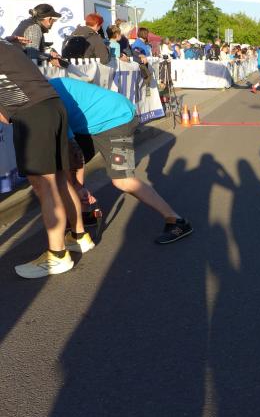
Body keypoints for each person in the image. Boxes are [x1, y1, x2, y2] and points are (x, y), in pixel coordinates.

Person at [49, 77, 193, 244]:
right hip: (93, 121)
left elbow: (72, 152)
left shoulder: (47, 103)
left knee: (122, 181)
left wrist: (77, 186)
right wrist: (77, 186)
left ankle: (177, 221)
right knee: (67, 169)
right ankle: (85, 214)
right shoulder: (41, 89)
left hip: (117, 119)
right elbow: (73, 156)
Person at [0, 40, 92, 279]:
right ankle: (79, 236)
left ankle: (57, 255)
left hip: (32, 113)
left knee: (45, 186)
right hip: (51, 106)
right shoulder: (6, 45)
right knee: (60, 180)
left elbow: (4, 117)